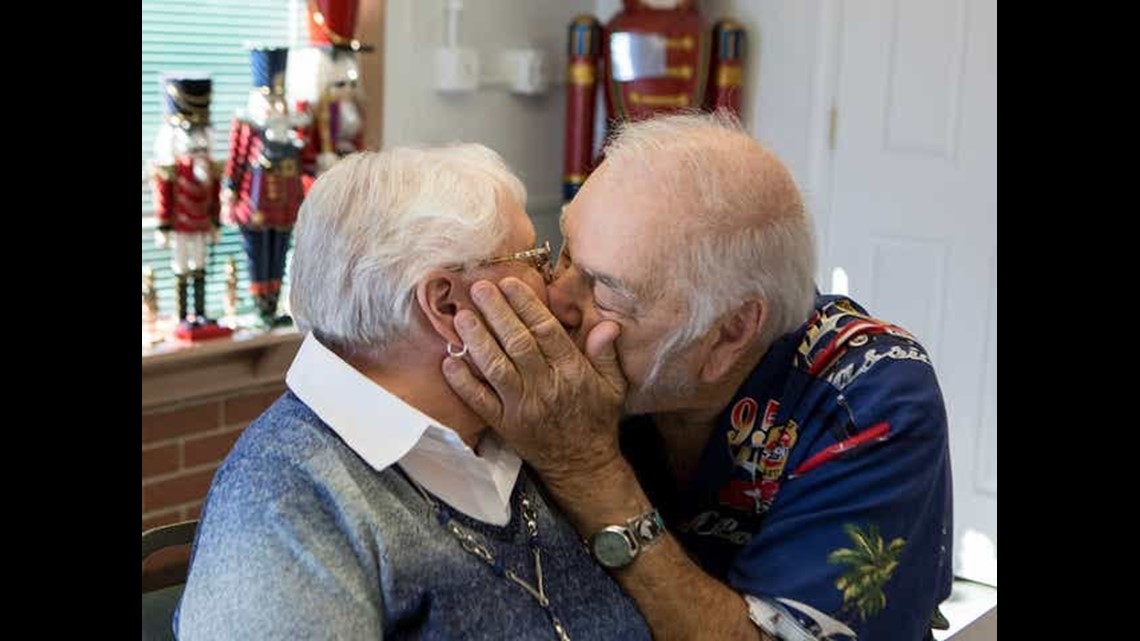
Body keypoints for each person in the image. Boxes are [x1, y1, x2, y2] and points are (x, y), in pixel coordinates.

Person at [443, 111, 954, 641]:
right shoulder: (587, 361)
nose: (557, 300)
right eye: (565, 251)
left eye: (605, 291)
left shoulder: (871, 397)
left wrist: (587, 469)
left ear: (730, 333)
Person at [175, 144, 651, 640]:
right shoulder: (281, 506)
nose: (553, 287)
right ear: (447, 306)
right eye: (534, 258)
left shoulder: (530, 425)